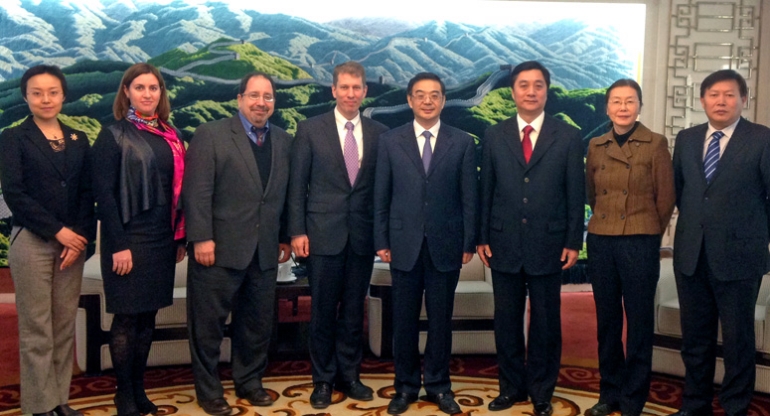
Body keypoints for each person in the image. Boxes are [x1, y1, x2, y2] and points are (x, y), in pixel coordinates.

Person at [477, 61, 584, 415]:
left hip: (549, 244)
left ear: (547, 91)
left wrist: (573, 240)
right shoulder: (494, 135)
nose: (531, 91)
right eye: (524, 85)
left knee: (545, 323)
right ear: (512, 92)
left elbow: (575, 193)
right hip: (502, 241)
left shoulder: (567, 136)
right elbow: (486, 189)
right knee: (506, 320)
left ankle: (541, 392)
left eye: (538, 85)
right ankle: (510, 388)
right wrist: (481, 236)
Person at [183, 72, 293, 416]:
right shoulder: (211, 134)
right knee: (208, 327)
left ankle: (249, 382)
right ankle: (209, 391)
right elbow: (196, 192)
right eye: (254, 95)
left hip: (264, 250)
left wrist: (284, 236)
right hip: (216, 249)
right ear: (240, 99)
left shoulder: (284, 140)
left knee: (257, 325)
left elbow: (283, 195)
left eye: (268, 96)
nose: (261, 102)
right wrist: (201, 237)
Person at [374, 72, 478, 416]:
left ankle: (438, 386)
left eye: (435, 95)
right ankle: (405, 387)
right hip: (402, 244)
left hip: (446, 246)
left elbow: (469, 198)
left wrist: (468, 242)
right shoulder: (390, 141)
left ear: (443, 100)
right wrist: (381, 239)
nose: (428, 101)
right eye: (420, 95)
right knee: (403, 321)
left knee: (440, 321)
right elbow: (381, 196)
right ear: (409, 100)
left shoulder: (462, 142)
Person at [287, 61, 389, 409]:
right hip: (321, 236)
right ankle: (322, 380)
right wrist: (297, 231)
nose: (350, 93)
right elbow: (297, 186)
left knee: (353, 312)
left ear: (365, 91)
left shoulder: (379, 133)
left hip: (361, 237)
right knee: (322, 312)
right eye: (344, 87)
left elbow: (380, 191)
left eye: (356, 87)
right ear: (333, 90)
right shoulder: (309, 129)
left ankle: (350, 375)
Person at [671, 69, 770, 416]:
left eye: (729, 94)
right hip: (691, 254)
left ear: (743, 99)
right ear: (702, 100)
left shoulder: (762, 138)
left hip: (740, 257)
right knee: (694, 339)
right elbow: (682, 191)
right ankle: (694, 404)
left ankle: (735, 406)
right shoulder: (686, 138)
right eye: (714, 94)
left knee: (737, 341)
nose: (721, 101)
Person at [92, 62, 187, 416]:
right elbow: (104, 196)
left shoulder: (172, 134)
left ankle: (138, 390)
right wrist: (118, 245)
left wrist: (180, 238)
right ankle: (123, 395)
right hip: (128, 239)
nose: (148, 94)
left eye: (154, 88)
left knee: (148, 319)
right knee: (128, 319)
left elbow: (179, 191)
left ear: (161, 93)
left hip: (162, 238)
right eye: (140, 87)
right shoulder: (113, 135)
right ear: (127, 92)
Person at [0, 65, 95, 416]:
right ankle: (39, 407)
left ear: (63, 95)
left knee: (63, 325)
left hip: (73, 247)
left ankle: (60, 401)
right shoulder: (13, 137)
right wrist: (59, 232)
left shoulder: (78, 138)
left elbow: (86, 193)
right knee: (37, 328)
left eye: (52, 92)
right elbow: (15, 194)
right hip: (32, 241)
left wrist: (77, 239)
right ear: (26, 96)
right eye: (37, 92)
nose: (45, 99)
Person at [583, 79, 675, 416]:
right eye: (616, 101)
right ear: (607, 107)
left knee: (639, 323)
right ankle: (609, 393)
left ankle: (634, 398)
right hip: (601, 239)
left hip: (640, 240)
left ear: (639, 106)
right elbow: (592, 194)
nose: (623, 107)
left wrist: (647, 230)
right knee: (607, 323)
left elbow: (666, 197)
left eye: (630, 101)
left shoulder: (655, 143)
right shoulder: (596, 145)